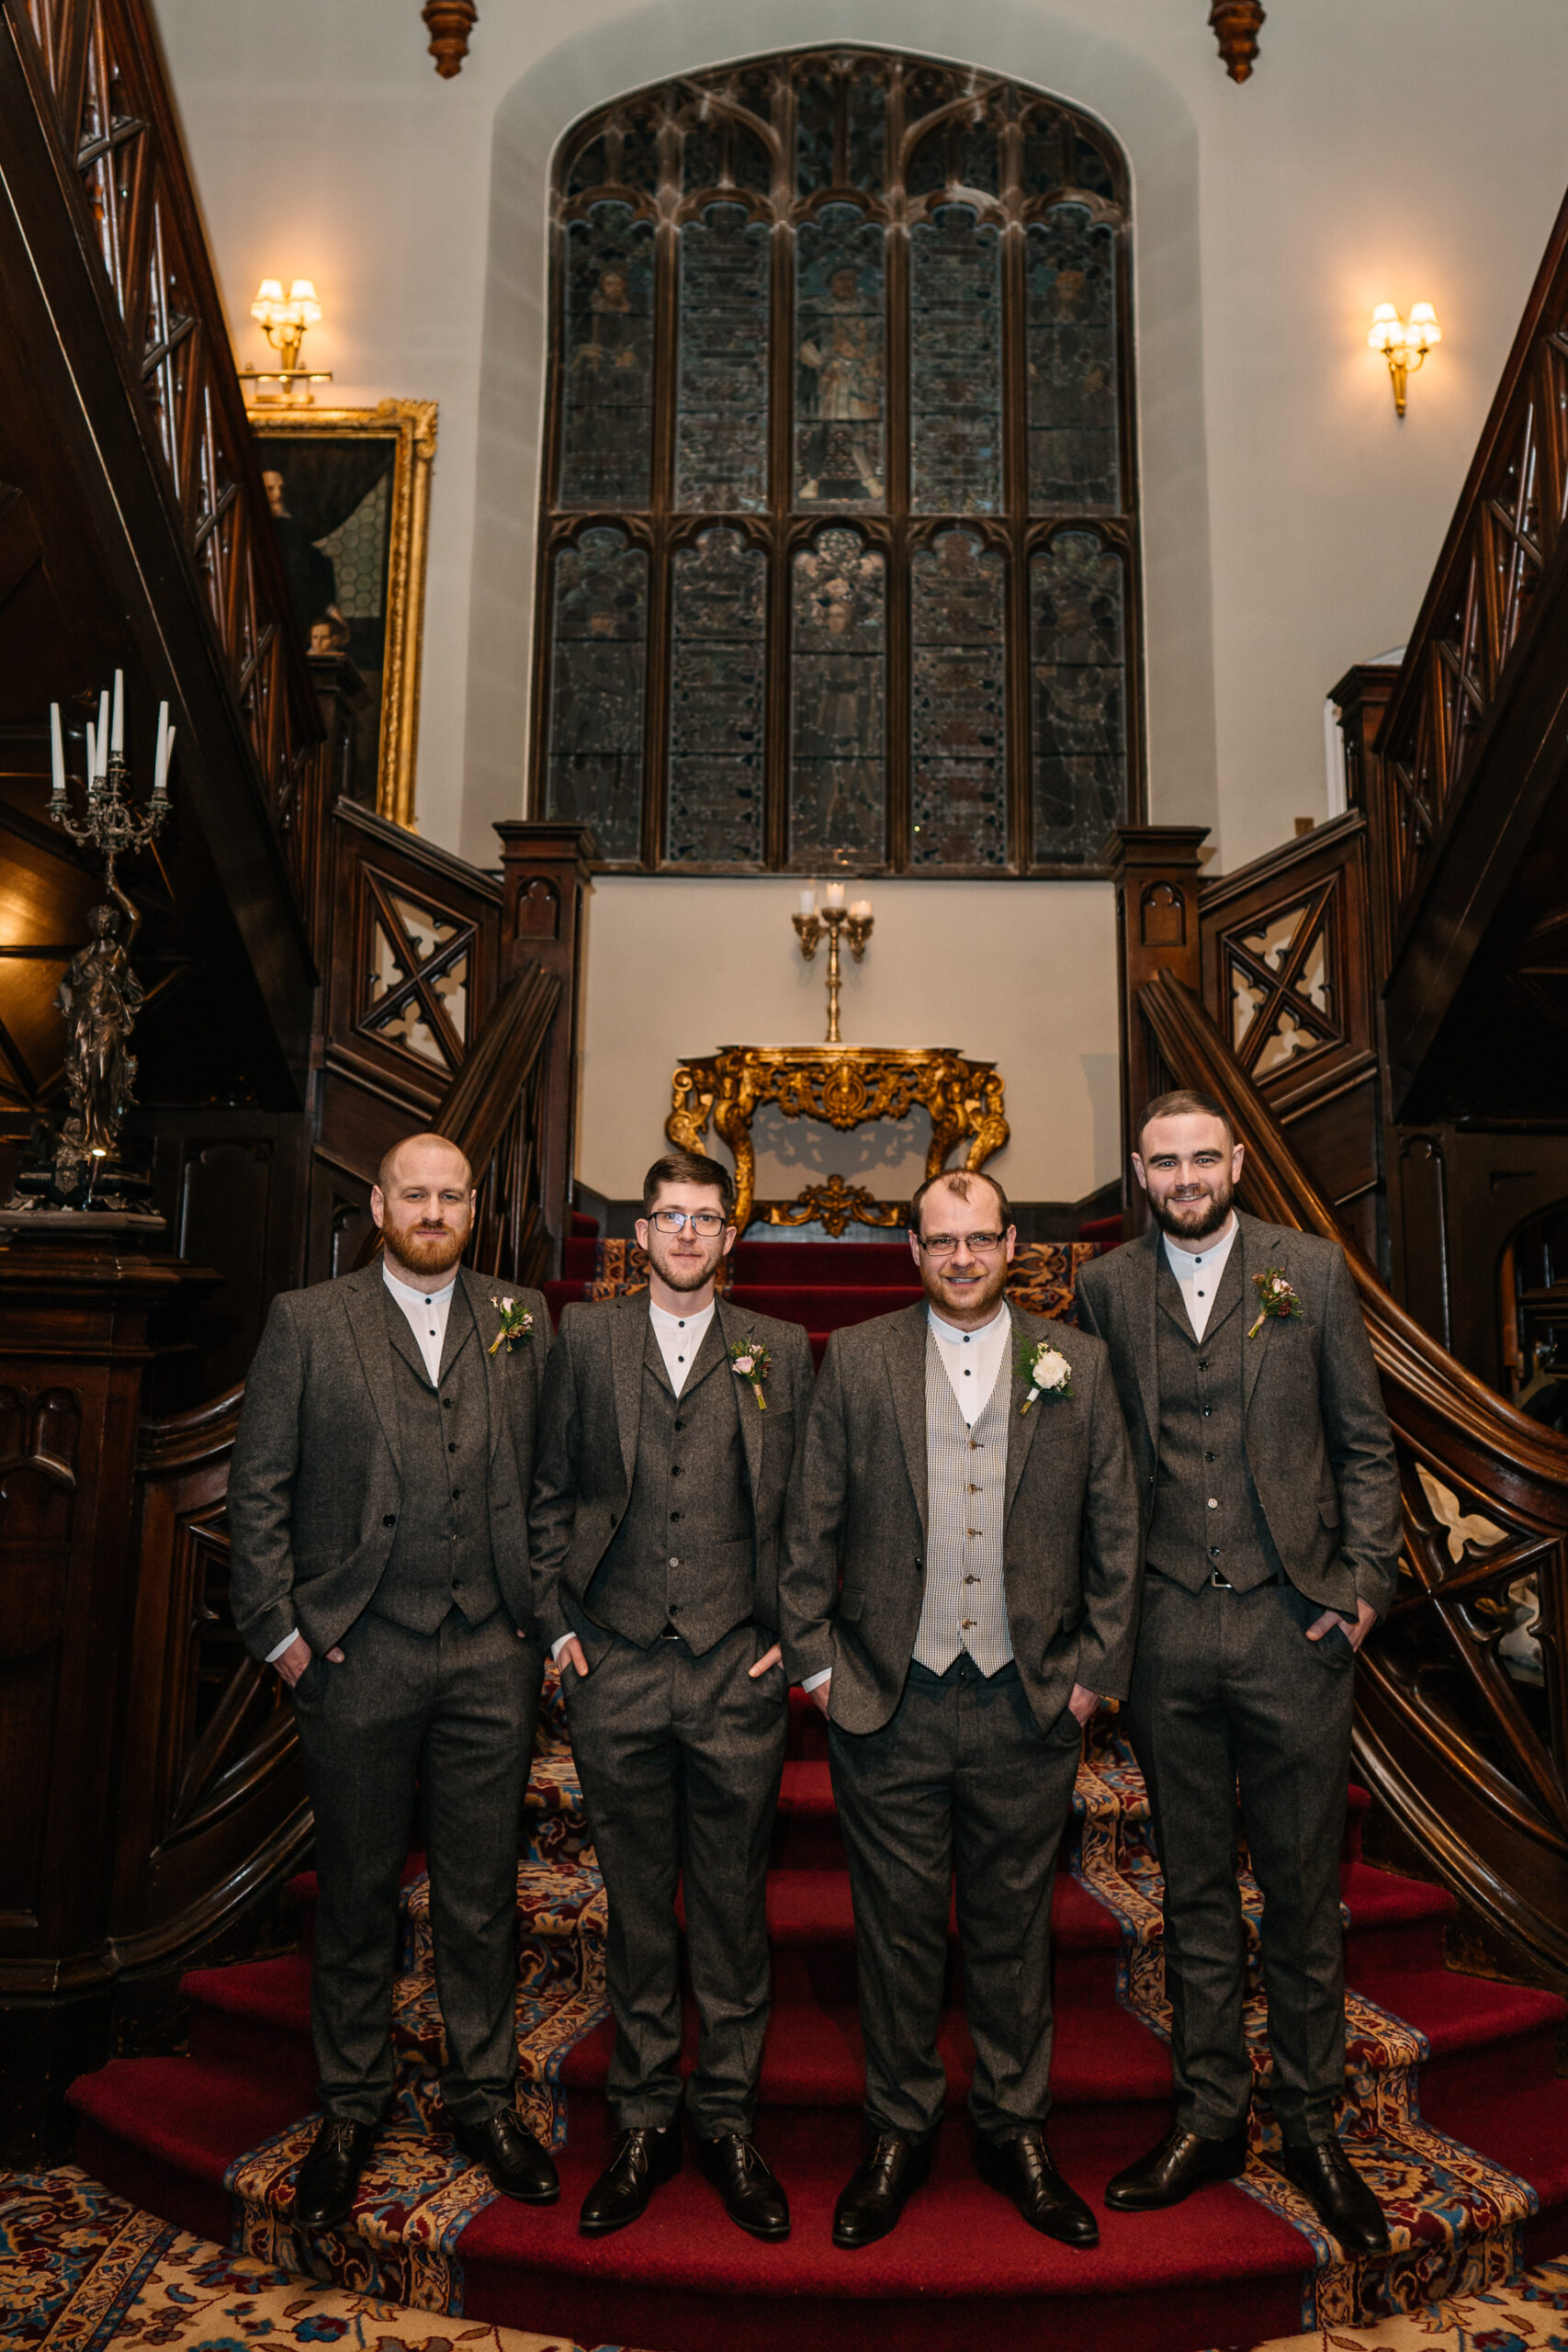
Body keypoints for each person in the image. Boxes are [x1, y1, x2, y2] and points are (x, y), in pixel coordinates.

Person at [781, 1168, 1142, 2251]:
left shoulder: (1077, 1363)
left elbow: (1116, 1528)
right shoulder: (859, 1357)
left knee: (1011, 1929)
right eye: (942, 1241)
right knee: (893, 1933)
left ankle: (1014, 2128)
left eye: (982, 1239)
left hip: (1026, 1696)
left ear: (1011, 1247)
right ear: (914, 1251)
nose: (963, 1258)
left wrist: (1092, 1671)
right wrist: (820, 1668)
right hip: (889, 1696)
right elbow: (810, 1528)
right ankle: (896, 2130)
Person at [1075, 1090, 1401, 2254]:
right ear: (1139, 1170)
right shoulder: (1106, 1289)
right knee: (1195, 1887)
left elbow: (1364, 1442)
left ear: (1238, 1162)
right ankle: (1210, 2114)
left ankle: (1312, 2127)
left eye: (1204, 1156)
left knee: (1306, 1892)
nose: (1186, 1175)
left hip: (1292, 1623)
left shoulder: (1306, 1271)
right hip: (1165, 1632)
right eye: (1165, 1161)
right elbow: (1095, 1466)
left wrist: (1361, 1589)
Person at [227, 1133, 557, 2228]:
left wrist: (537, 1619)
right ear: (377, 1203)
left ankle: (483, 2097)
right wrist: (281, 1632)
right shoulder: (307, 1322)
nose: (430, 1209)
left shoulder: (520, 1319)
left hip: (487, 1655)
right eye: (411, 1193)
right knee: (360, 1893)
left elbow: (549, 1480)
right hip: (357, 1651)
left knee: (479, 1897)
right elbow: (258, 1487)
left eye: (448, 1195)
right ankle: (353, 2104)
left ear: (474, 1207)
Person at [529, 1148, 815, 2241]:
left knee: (733, 1907)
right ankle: (644, 2122)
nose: (687, 1234)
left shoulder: (779, 1350)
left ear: (730, 1235)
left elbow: (807, 1508)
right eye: (669, 1216)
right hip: (616, 1663)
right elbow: (548, 1489)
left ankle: (729, 2120)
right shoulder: (587, 1338)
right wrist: (558, 1625)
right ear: (638, 1233)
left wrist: (788, 1637)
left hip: (734, 1670)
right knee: (641, 1907)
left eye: (706, 1217)